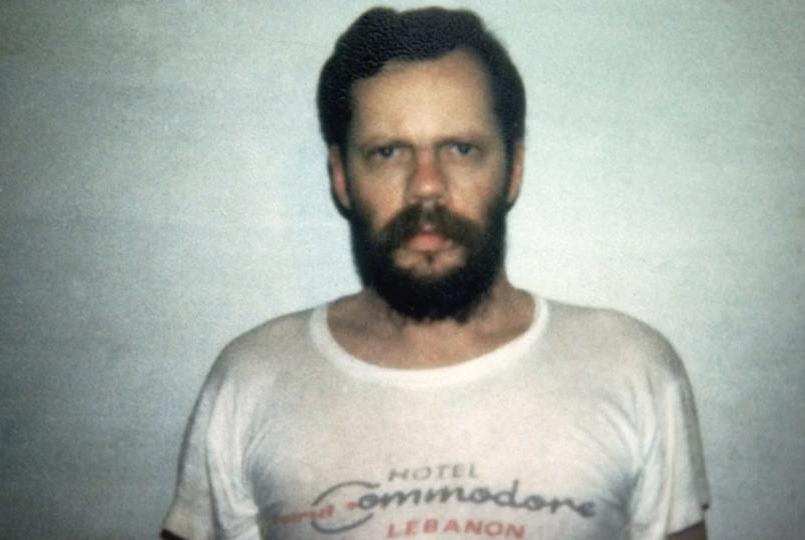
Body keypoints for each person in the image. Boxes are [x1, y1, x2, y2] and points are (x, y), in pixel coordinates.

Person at [161, 6, 709, 540]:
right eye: (388, 151)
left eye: (462, 148)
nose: (426, 184)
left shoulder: (631, 368)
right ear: (341, 177)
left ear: (513, 169)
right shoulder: (252, 379)